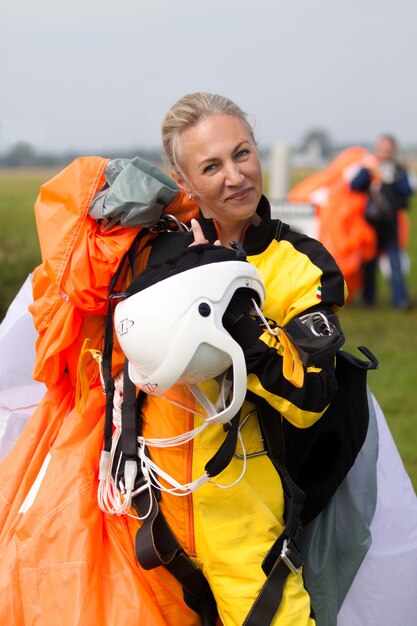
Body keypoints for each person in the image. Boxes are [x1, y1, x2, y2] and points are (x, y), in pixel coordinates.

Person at [3, 93, 417, 626]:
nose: (235, 176)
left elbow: (310, 397)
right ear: (184, 178)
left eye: (242, 154)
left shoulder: (300, 265)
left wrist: (231, 298)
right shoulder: (150, 251)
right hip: (142, 520)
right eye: (211, 166)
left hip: (245, 531)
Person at [349, 134, 415, 309]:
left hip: (390, 221)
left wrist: (391, 180)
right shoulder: (369, 167)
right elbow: (354, 186)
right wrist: (369, 172)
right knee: (369, 262)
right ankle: (368, 299)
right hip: (370, 222)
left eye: (388, 148)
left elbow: (407, 191)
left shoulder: (400, 170)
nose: (385, 152)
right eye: (382, 148)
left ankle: (399, 299)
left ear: (393, 150)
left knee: (395, 261)